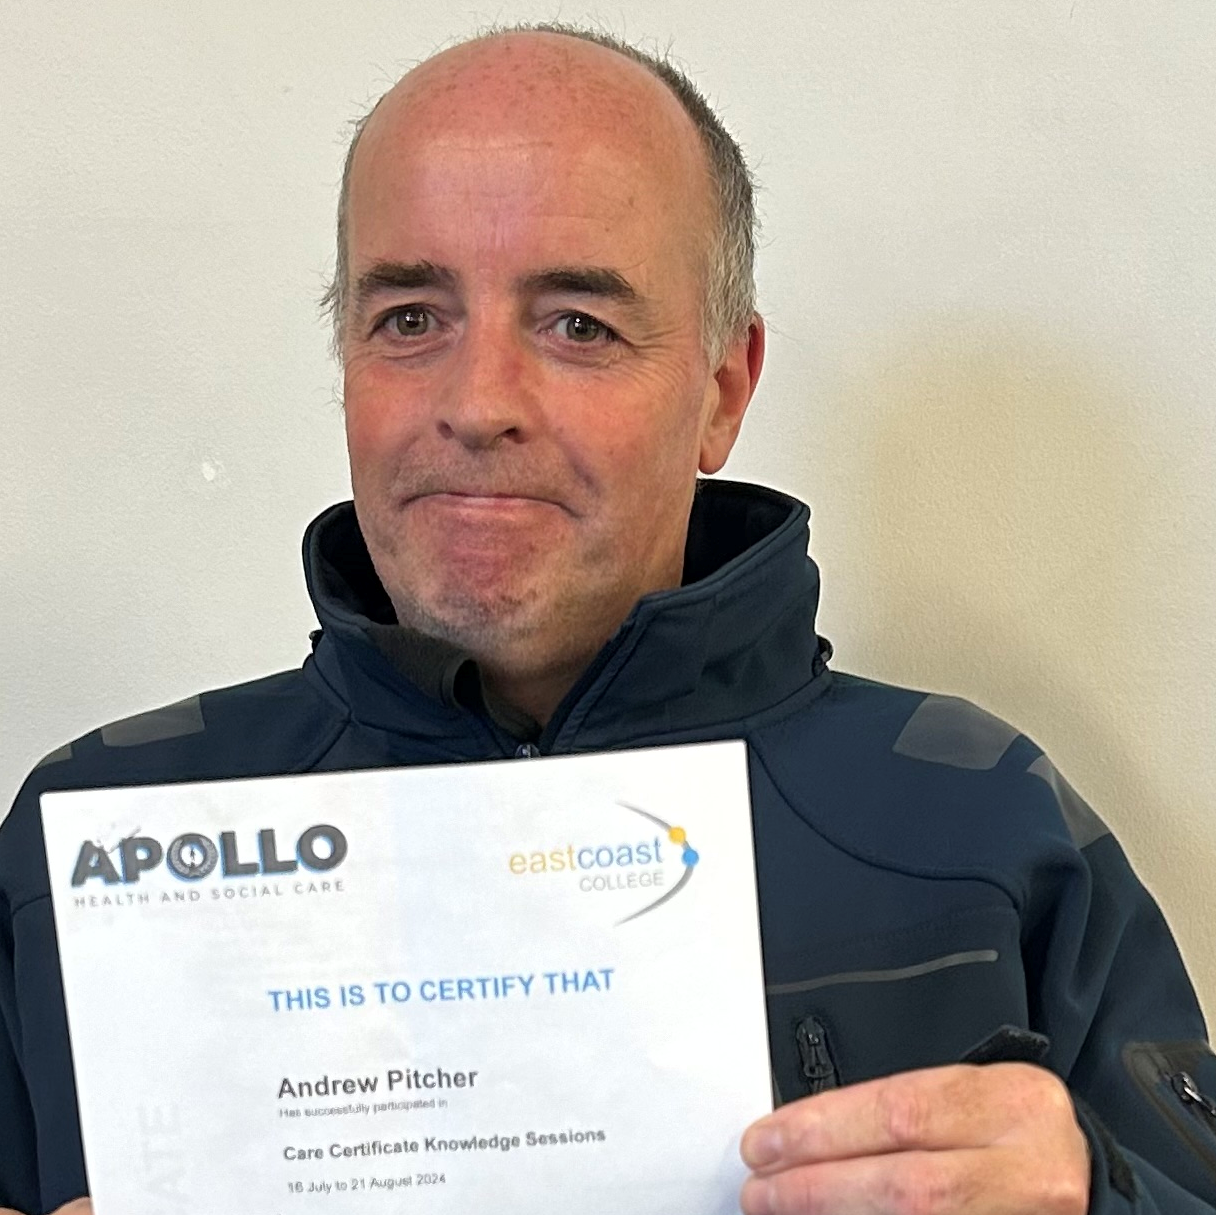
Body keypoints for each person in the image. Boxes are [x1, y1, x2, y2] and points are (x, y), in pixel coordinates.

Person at [2, 23, 1215, 1215]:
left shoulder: (978, 816)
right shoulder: (97, 833)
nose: (477, 405)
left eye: (576, 323)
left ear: (720, 393)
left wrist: (1099, 1203)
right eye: (410, 317)